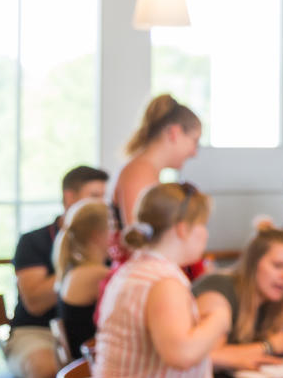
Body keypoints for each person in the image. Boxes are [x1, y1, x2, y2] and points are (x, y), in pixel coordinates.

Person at [94, 182, 227, 377]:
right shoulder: (163, 281)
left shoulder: (134, 269)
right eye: (203, 225)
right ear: (183, 229)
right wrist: (220, 316)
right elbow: (182, 355)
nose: (206, 235)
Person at [6, 166, 107, 378]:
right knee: (46, 369)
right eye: (94, 196)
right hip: (36, 331)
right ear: (69, 197)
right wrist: (80, 270)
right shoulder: (33, 241)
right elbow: (35, 304)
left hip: (87, 333)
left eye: (104, 196)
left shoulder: (106, 244)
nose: (102, 203)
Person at [109, 94, 205, 279]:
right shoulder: (138, 172)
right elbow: (141, 244)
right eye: (194, 141)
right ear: (174, 133)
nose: (194, 152)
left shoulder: (145, 171)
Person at [193, 228, 283, 375]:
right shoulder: (218, 288)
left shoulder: (270, 304)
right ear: (253, 263)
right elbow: (208, 355)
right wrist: (268, 346)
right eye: (278, 265)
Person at [53, 198, 112, 362]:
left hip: (86, 359)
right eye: (113, 228)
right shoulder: (96, 274)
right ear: (97, 235)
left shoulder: (76, 270)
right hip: (89, 364)